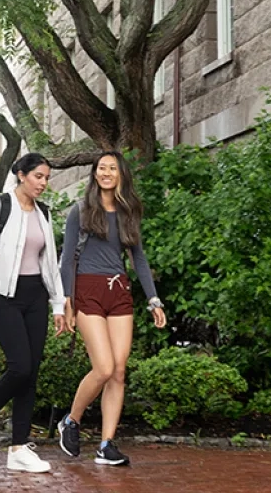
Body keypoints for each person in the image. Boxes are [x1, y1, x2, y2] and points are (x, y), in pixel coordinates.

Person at [57, 151, 166, 466]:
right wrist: (67, 300)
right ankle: (71, 421)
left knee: (118, 371)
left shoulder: (129, 211)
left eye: (112, 168)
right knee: (103, 367)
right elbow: (67, 259)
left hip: (119, 292)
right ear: (95, 174)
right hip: (88, 290)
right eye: (101, 168)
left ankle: (106, 445)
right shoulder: (81, 210)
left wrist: (153, 299)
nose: (106, 172)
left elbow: (139, 258)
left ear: (121, 174)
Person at [0, 153, 67, 473]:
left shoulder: (44, 213)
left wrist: (57, 303)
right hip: (3, 297)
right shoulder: (0, 207)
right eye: (39, 176)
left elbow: (49, 263)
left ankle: (18, 448)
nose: (43, 183)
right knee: (20, 366)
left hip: (35, 296)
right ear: (22, 175)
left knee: (31, 371)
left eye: (47, 177)